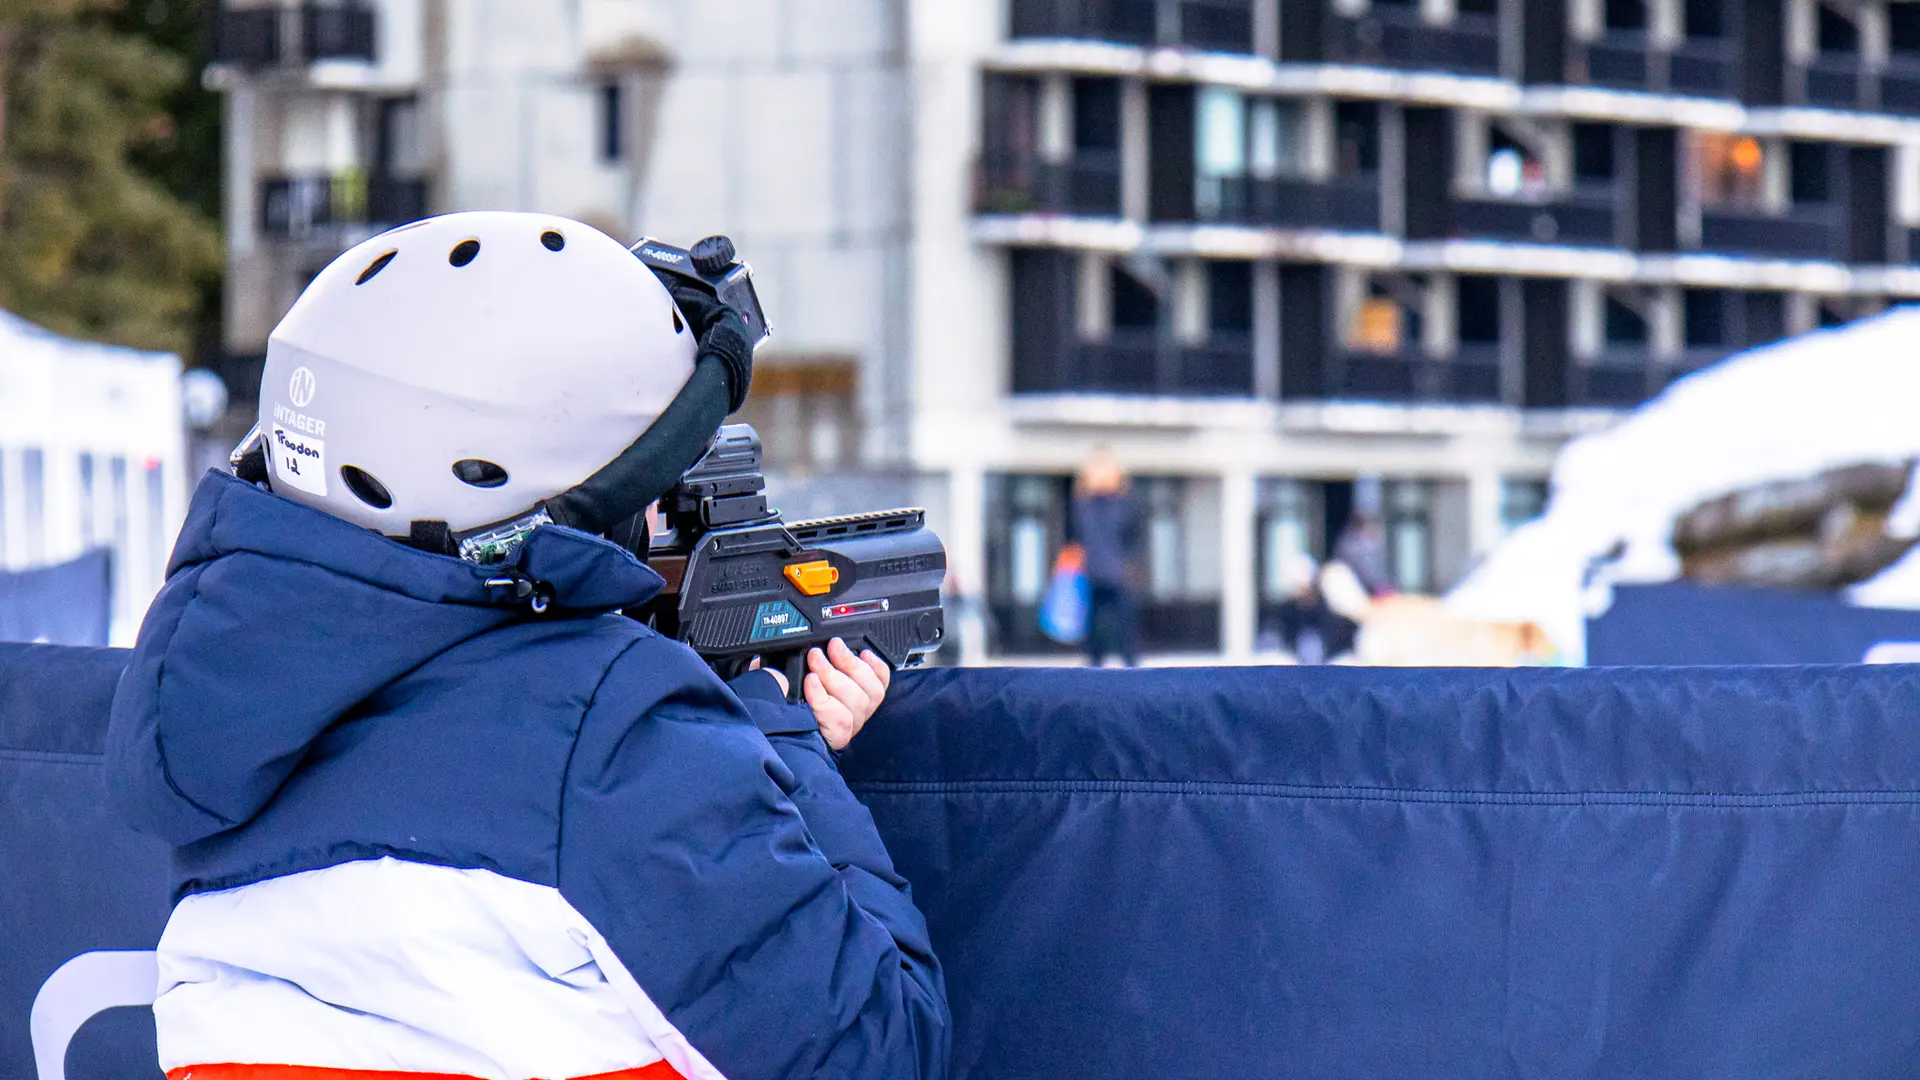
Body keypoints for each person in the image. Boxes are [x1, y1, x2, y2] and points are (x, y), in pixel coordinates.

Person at [106, 212, 949, 1080]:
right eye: (654, 489)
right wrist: (775, 740)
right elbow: (880, 1048)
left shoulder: (217, 709)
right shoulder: (621, 744)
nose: (660, 522)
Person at [1071, 448, 1141, 667]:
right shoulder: (1081, 505)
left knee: (1125, 628)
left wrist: (1131, 566)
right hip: (1091, 573)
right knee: (1092, 629)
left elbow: (1133, 537)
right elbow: (1075, 537)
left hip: (1118, 574)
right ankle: (1094, 667)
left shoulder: (1123, 504)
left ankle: (1131, 667)